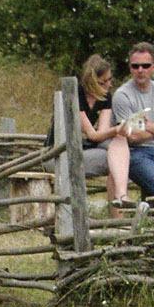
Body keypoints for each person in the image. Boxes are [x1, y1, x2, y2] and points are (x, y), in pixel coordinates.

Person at [43, 54, 132, 210]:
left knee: (118, 144)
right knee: (116, 161)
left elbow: (102, 132)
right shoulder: (75, 95)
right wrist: (117, 129)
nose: (109, 84)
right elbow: (93, 135)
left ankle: (121, 197)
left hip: (82, 148)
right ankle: (114, 207)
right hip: (57, 153)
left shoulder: (105, 97)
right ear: (93, 82)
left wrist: (118, 131)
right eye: (104, 82)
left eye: (110, 79)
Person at [110, 41, 154, 207]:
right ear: (130, 68)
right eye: (135, 66)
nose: (140, 70)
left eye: (145, 65)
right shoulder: (122, 95)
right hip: (136, 153)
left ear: (153, 67)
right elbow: (131, 136)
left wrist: (147, 125)